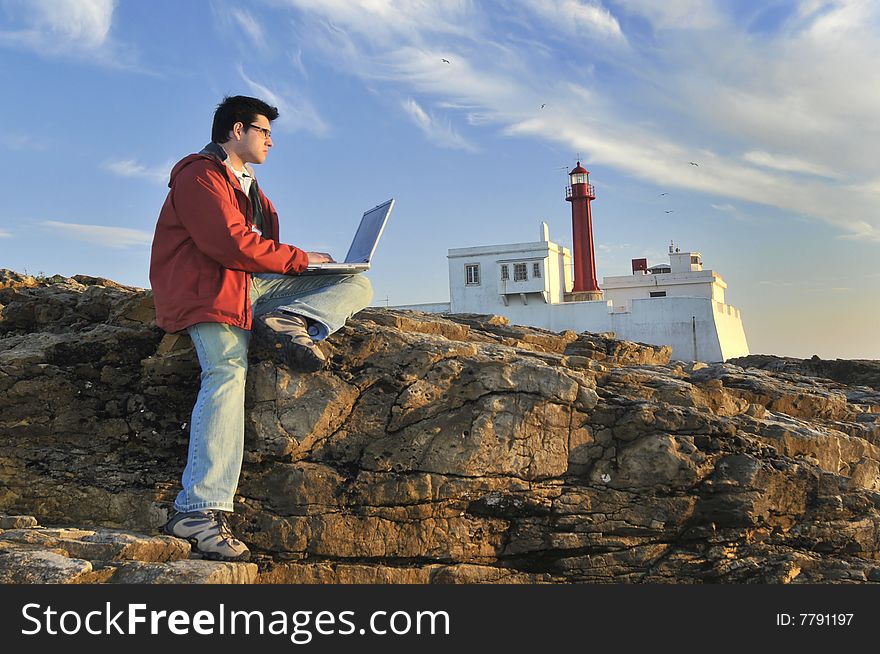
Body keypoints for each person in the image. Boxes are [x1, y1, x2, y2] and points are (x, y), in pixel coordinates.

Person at [149, 95, 372, 561]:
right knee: (227, 370)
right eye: (264, 130)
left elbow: (260, 249)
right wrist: (302, 258)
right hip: (206, 292)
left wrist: (312, 265)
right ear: (236, 130)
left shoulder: (250, 185)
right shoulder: (200, 175)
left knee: (357, 281)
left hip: (247, 288)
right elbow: (231, 244)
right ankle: (196, 510)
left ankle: (294, 319)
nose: (271, 140)